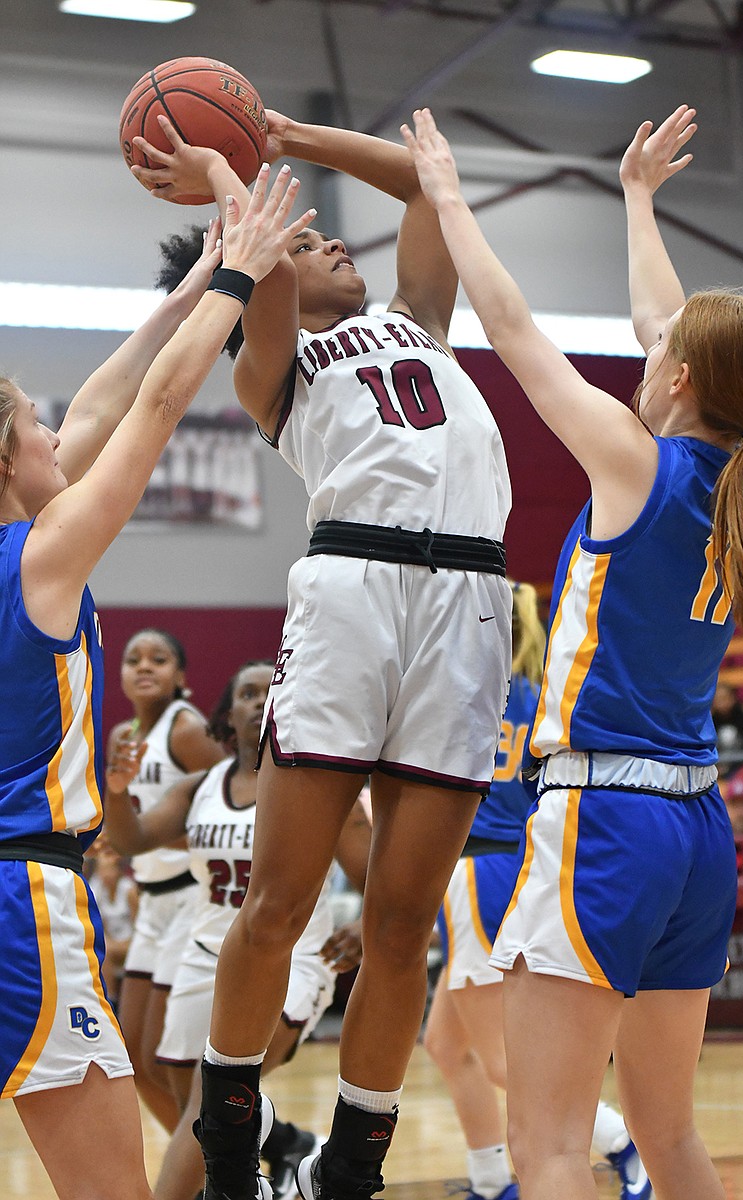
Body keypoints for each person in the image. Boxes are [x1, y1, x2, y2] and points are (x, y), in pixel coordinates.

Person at [402, 105, 743, 1200]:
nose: (646, 345)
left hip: (602, 821)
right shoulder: (734, 483)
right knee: (669, 1139)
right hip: (694, 829)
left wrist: (444, 199)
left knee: (546, 1151)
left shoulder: (639, 466)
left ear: (675, 381)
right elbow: (670, 323)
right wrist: (634, 200)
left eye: (658, 351)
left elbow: (517, 331)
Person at [129, 108, 512, 1200]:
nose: (334, 244)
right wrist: (228, 170)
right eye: (306, 242)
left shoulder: (419, 320)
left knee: (400, 919)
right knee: (283, 900)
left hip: (470, 597)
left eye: (329, 241)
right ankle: (230, 1130)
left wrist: (288, 129)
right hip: (353, 587)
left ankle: (356, 1152)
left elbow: (420, 190)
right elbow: (265, 272)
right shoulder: (280, 363)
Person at [0, 165, 317, 1200]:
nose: (60, 433)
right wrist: (234, 280)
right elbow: (156, 404)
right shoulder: (37, 560)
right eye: (35, 430)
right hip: (20, 896)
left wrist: (185, 295)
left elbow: (101, 401)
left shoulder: (25, 530)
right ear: (10, 461)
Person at [103, 659, 373, 1200]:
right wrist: (116, 790)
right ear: (228, 714)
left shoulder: (320, 789)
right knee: (196, 1109)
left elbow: (374, 873)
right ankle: (269, 1168)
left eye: (270, 690)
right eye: (246, 693)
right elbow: (131, 841)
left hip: (296, 956)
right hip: (207, 953)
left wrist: (366, 922)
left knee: (212, 1100)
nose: (259, 702)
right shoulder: (199, 787)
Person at [425, 582, 650, 1200]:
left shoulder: (464, 689)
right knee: (445, 1043)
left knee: (502, 1061)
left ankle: (626, 1144)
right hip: (518, 864)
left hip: (475, 870)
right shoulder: (544, 693)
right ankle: (492, 1181)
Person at [108, 627, 225, 1132]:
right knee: (134, 1059)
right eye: (134, 659)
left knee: (165, 1060)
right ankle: (204, 1163)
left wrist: (151, 835)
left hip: (190, 899)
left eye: (159, 659)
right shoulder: (121, 737)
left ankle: (215, 1166)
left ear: (180, 676)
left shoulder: (186, 730)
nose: (144, 666)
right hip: (149, 903)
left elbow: (234, 805)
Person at [87, 839, 138, 1007]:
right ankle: (104, 999)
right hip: (112, 942)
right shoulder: (96, 888)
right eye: (102, 870)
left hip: (132, 942)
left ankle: (112, 1002)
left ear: (118, 871)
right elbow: (98, 925)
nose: (105, 875)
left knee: (105, 950)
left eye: (109, 870)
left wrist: (121, 943)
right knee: (100, 948)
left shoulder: (129, 890)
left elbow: (139, 926)